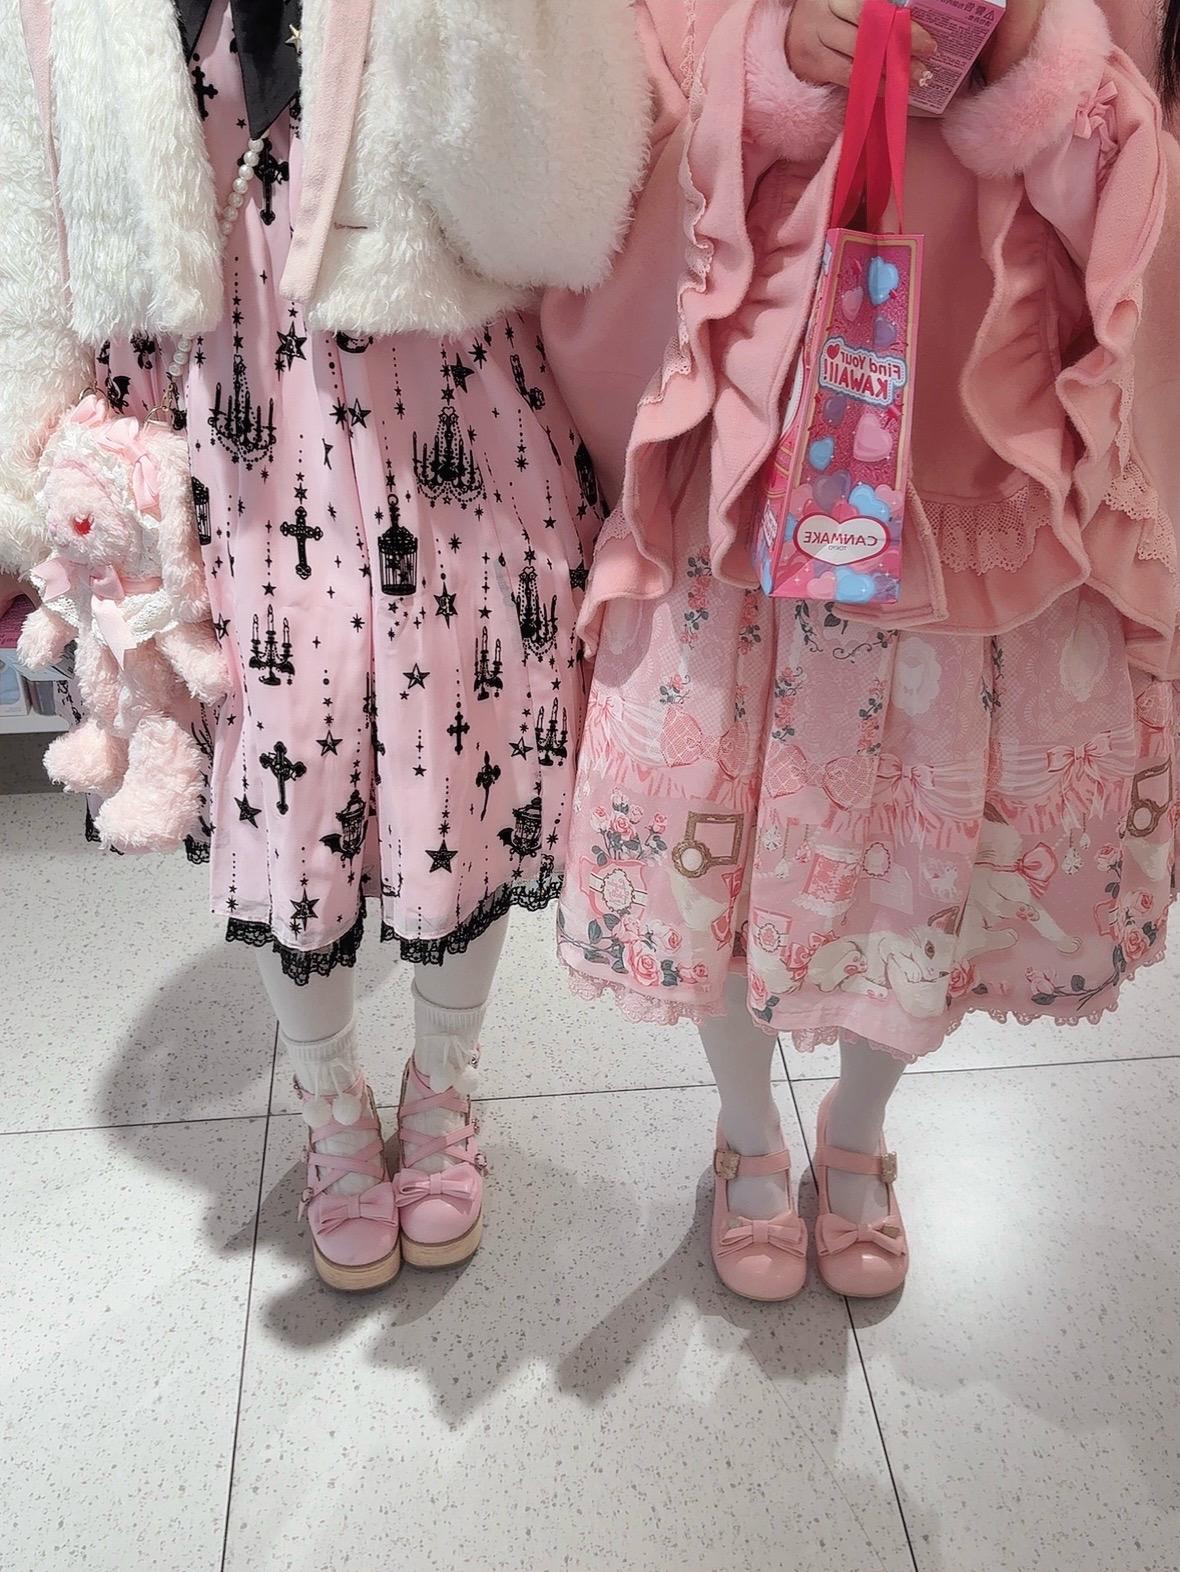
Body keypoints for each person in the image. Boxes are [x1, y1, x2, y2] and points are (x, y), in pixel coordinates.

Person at [0, 0, 648, 1290]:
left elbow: (568, 193)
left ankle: (443, 1090)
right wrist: (36, 465)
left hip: (453, 402)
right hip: (220, 436)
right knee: (281, 787)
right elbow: (28, 218)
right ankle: (332, 1111)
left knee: (464, 771)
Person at [550, 0, 1180, 1301]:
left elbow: (1144, 184)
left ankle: (858, 1130)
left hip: (991, 492)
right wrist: (775, 63)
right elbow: (627, 117)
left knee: (925, 874)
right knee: (722, 851)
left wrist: (1042, 64)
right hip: (760, 469)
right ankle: (746, 1135)